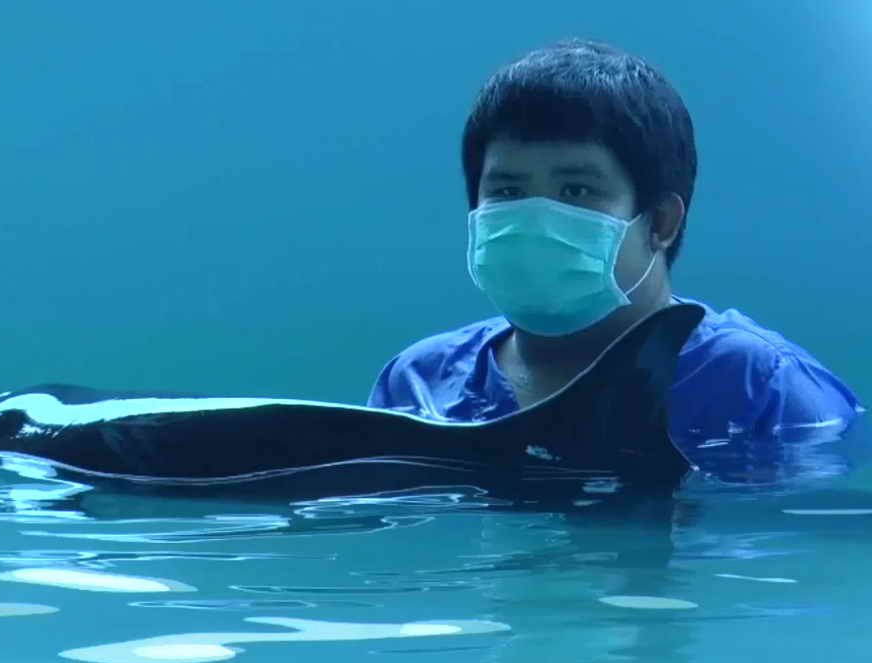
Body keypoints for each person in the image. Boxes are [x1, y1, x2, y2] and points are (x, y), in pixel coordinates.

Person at [367, 38, 863, 447]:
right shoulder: (419, 384)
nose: (536, 218)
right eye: (507, 192)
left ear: (661, 222)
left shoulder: (762, 389)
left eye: (575, 191)